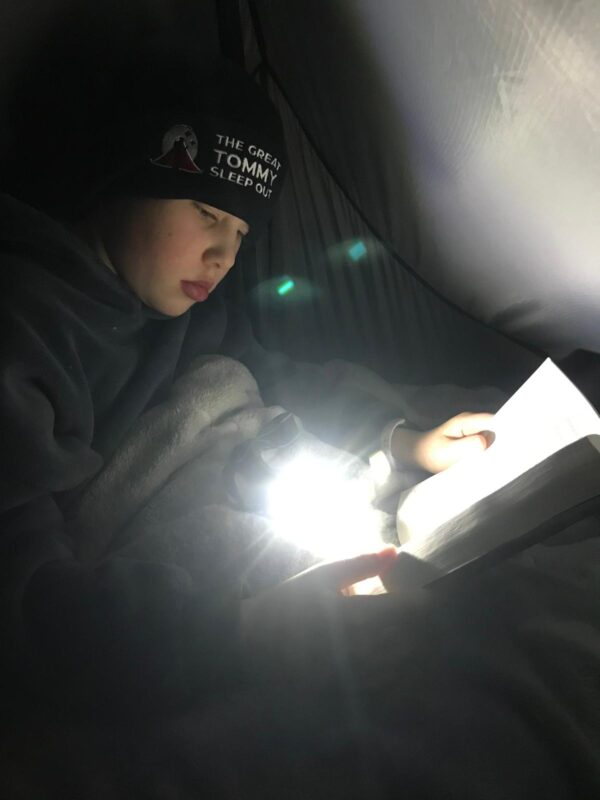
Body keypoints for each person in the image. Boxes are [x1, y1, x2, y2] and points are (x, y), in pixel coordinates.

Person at [0, 49, 493, 718]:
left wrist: (406, 442)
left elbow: (276, 373)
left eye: (241, 231)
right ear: (120, 177)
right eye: (208, 210)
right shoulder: (26, 326)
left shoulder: (175, 313)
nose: (225, 255)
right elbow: (27, 598)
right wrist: (250, 631)